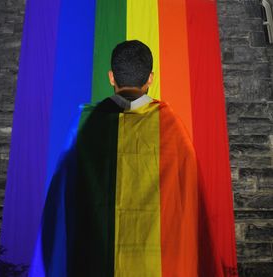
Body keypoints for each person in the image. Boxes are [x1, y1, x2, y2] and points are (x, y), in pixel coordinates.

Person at [29, 40, 198, 277]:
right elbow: (190, 201)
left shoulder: (84, 123)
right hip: (154, 265)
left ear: (111, 77)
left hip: (94, 261)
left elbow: (61, 195)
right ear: (150, 78)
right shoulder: (172, 127)